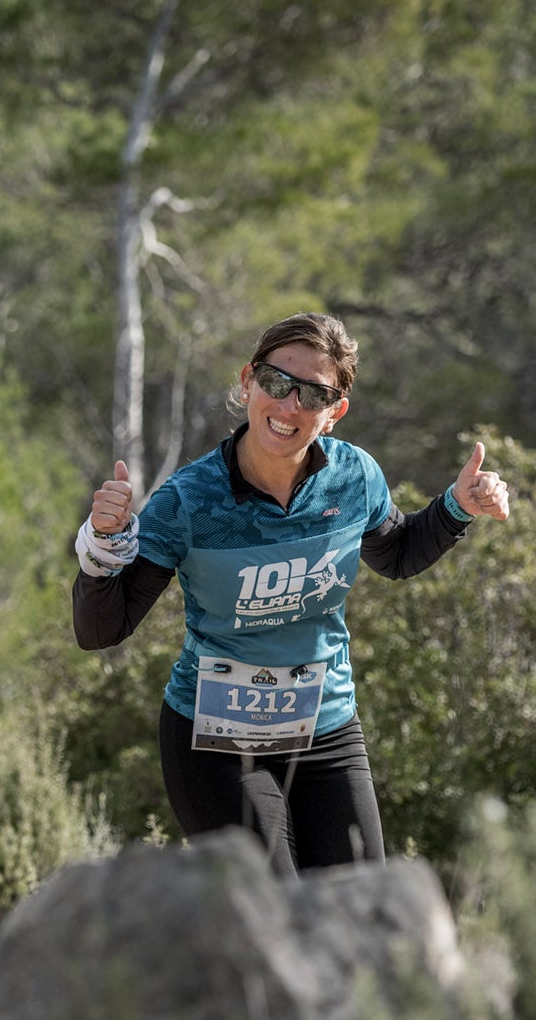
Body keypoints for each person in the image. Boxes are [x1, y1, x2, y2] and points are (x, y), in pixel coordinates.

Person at [72, 311, 509, 875]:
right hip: (217, 742)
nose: (289, 407)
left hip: (326, 727)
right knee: (276, 906)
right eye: (277, 383)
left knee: (355, 909)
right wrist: (103, 544)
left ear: (336, 411)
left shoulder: (354, 479)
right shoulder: (189, 502)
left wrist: (456, 508)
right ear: (248, 381)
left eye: (313, 393)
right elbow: (101, 630)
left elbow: (396, 554)